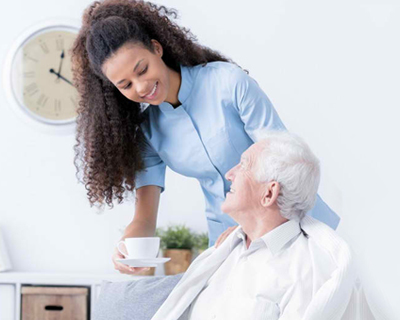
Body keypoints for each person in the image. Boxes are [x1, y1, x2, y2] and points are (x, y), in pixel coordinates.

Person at [71, 0, 339, 275]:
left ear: (156, 48)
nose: (141, 87)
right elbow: (144, 217)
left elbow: (285, 161)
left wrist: (251, 225)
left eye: (142, 69)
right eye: (125, 85)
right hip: (229, 244)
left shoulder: (227, 82)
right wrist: (128, 247)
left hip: (296, 226)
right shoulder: (149, 133)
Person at [151, 131, 355, 320]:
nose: (229, 174)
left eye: (243, 165)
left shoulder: (303, 272)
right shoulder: (223, 253)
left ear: (268, 193)